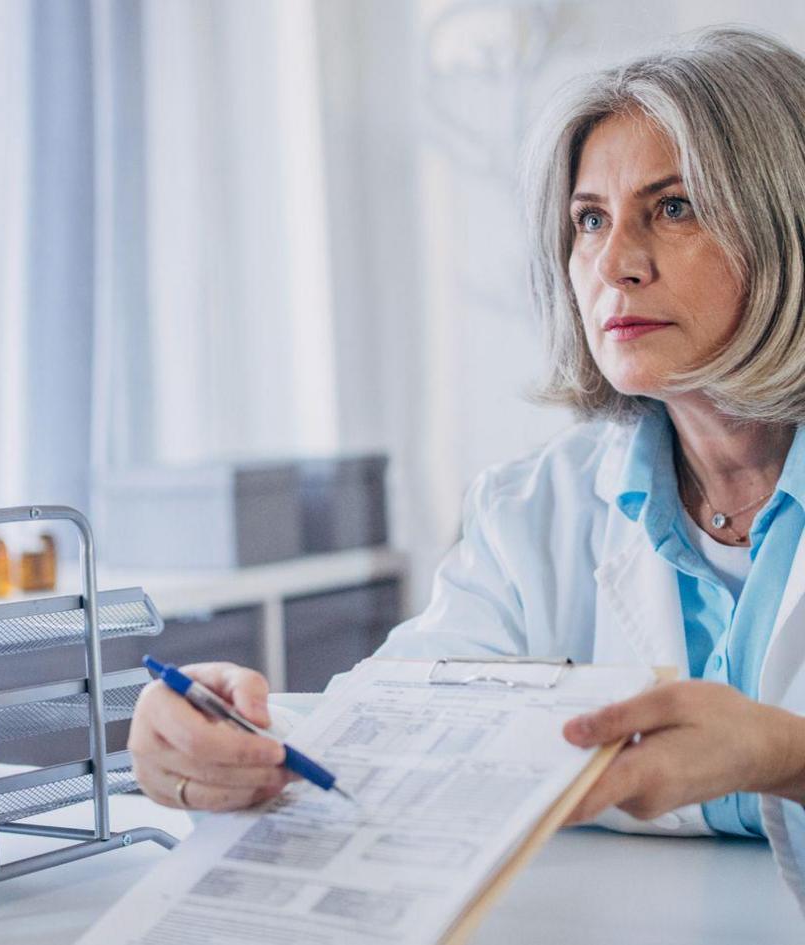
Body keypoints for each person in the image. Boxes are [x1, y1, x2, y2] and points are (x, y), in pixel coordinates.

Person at [128, 26, 805, 908]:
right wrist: (238, 736)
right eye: (589, 219)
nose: (612, 263)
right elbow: (412, 722)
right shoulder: (534, 508)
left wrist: (783, 754)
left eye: (673, 207)